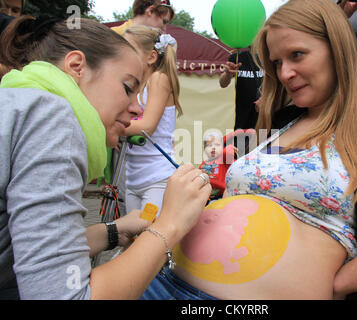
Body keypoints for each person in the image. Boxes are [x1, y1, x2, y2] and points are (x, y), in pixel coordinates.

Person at [141, 0, 357, 300]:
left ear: (337, 49)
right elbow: (225, 182)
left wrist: (344, 281)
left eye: (297, 55)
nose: (284, 73)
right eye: (277, 62)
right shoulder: (284, 120)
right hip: (161, 277)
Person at [0, 15, 211, 300]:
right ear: (77, 67)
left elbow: (32, 251)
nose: (137, 109)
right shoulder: (52, 116)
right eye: (128, 88)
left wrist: (113, 230)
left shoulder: (19, 103)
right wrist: (169, 224)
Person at [120, 25, 181, 217]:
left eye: (129, 51)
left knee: (149, 236)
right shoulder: (134, 85)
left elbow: (147, 126)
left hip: (156, 178)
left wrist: (110, 128)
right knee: (133, 235)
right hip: (133, 177)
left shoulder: (158, 79)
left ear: (151, 57)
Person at [219, 48, 264, 131]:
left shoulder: (268, 56)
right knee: (241, 143)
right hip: (241, 120)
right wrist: (228, 74)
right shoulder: (236, 57)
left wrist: (266, 100)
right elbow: (222, 84)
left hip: (264, 119)